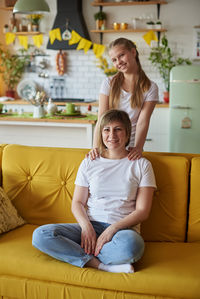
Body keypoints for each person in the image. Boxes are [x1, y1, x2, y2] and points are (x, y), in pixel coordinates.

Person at [32, 109, 156, 274]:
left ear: (127, 134)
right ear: (101, 134)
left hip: (122, 231)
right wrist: (86, 227)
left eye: (118, 129)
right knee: (41, 235)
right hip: (91, 225)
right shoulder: (90, 162)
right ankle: (100, 265)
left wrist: (111, 230)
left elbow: (142, 211)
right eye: (106, 129)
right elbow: (77, 203)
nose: (112, 135)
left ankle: (81, 253)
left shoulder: (141, 165)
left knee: (132, 246)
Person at [90, 37, 158, 161]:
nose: (118, 62)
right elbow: (101, 118)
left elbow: (143, 122)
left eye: (121, 55)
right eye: (114, 60)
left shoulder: (150, 87)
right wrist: (96, 147)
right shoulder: (108, 83)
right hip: (109, 144)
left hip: (131, 149)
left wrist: (138, 147)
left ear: (133, 52)